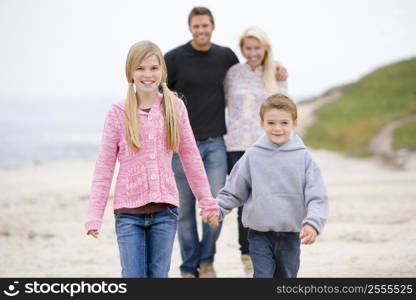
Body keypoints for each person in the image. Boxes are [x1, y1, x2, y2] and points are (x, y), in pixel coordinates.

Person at [165, 6, 288, 278]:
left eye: (205, 25)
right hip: (181, 147)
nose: (201, 30)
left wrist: (276, 67)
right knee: (184, 211)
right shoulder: (173, 58)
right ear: (190, 27)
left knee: (215, 206)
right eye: (196, 26)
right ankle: (189, 268)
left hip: (215, 144)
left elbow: (255, 72)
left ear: (212, 26)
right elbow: (159, 95)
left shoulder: (225, 58)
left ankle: (206, 261)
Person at [85, 40, 219, 278]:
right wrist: (94, 215)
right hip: (128, 214)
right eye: (141, 68)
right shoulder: (117, 113)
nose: (148, 74)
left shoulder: (174, 107)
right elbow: (104, 167)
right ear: (131, 72)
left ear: (162, 72)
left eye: (153, 68)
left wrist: (207, 202)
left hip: (165, 213)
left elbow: (191, 158)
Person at [208, 94, 329, 278]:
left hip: (290, 235)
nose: (277, 128)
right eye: (271, 123)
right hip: (259, 234)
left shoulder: (304, 158)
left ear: (294, 124)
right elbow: (234, 190)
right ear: (262, 124)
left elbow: (317, 196)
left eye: (284, 123)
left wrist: (313, 223)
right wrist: (219, 209)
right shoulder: (252, 155)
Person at [223, 26, 288, 274]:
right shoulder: (232, 74)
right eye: (248, 48)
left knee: (269, 198)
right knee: (245, 200)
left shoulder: (276, 73)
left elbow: (284, 109)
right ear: (242, 49)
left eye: (257, 48)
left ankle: (270, 249)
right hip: (237, 145)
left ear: (265, 49)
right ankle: (246, 254)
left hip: (267, 146)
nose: (252, 53)